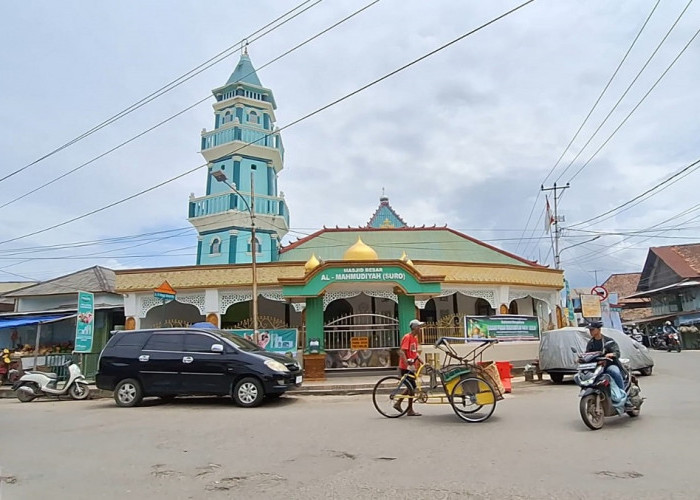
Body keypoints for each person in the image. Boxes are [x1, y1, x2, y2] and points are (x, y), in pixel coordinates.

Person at [585, 321, 627, 402]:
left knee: (615, 372)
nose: (591, 332)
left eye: (592, 330)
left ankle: (624, 396)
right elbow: (588, 354)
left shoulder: (608, 341)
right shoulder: (590, 343)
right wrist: (581, 358)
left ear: (599, 330)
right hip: (597, 367)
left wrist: (611, 354)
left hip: (609, 365)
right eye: (590, 330)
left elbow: (617, 353)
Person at [394, 319, 424, 416]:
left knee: (412, 387)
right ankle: (406, 407)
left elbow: (415, 353)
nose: (420, 329)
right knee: (411, 388)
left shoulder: (415, 339)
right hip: (406, 367)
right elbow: (402, 351)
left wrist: (423, 362)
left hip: (412, 367)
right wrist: (406, 362)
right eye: (419, 327)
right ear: (415, 328)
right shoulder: (407, 337)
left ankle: (400, 404)